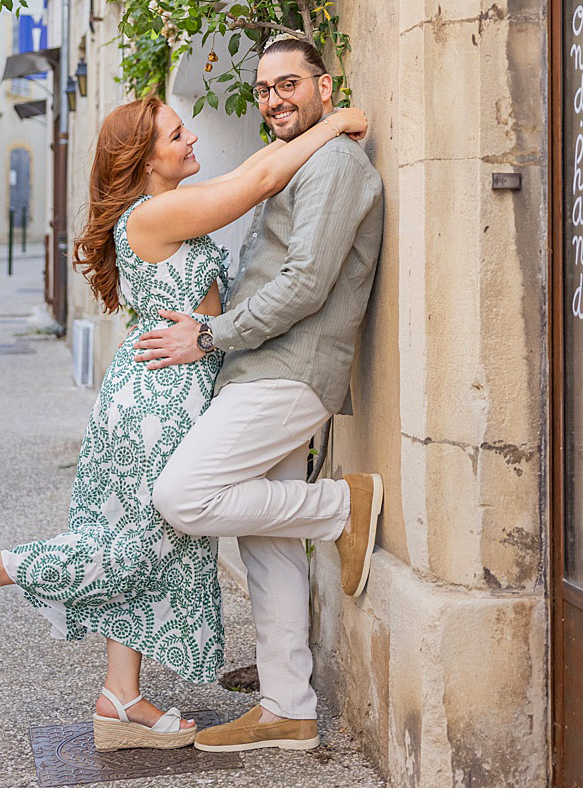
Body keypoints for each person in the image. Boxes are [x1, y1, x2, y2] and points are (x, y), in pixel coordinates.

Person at [0, 88, 367, 751]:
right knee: (133, 547)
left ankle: (120, 696)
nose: (190, 141)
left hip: (151, 393)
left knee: (144, 545)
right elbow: (260, 176)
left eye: (186, 130)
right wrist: (334, 121)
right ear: (142, 160)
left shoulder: (153, 214)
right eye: (174, 137)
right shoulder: (156, 215)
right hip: (163, 401)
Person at [133, 38, 384, 754]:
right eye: (266, 88)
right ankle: (288, 709)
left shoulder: (334, 164)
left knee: (182, 496)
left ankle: (341, 505)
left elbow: (306, 284)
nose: (275, 99)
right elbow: (255, 185)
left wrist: (209, 336)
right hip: (263, 367)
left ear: (325, 87)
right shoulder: (307, 156)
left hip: (291, 370)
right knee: (268, 545)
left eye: (290, 84)